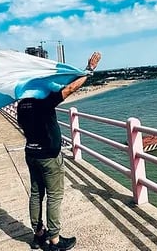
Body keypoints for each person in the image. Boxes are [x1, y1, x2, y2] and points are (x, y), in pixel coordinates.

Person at [17, 51, 101, 251]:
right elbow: (70, 88)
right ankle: (54, 239)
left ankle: (38, 235)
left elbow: (24, 126)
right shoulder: (43, 100)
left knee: (36, 193)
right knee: (54, 195)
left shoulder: (22, 104)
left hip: (31, 153)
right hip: (48, 155)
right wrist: (89, 69)